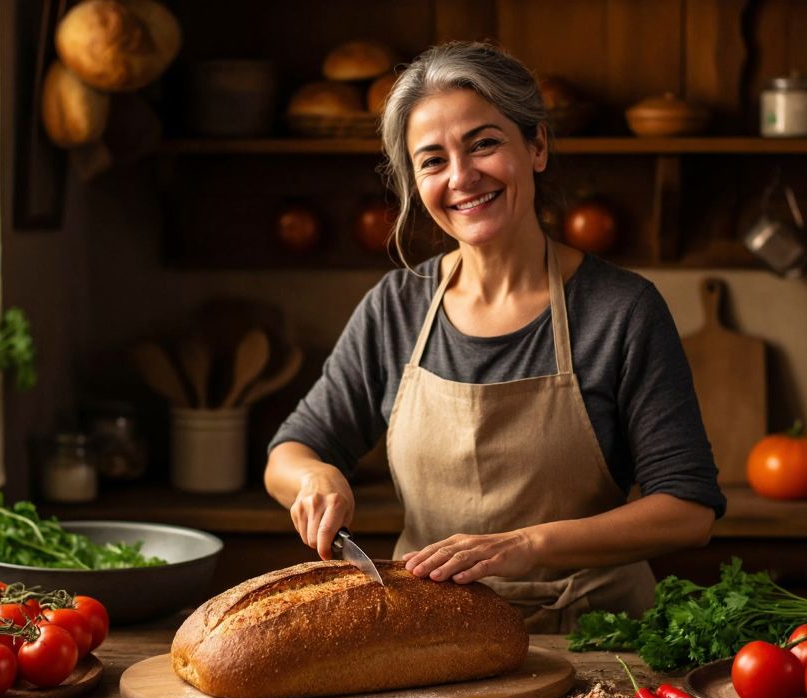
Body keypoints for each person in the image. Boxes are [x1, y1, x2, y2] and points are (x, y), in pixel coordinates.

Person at [265, 41, 724, 632]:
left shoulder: (621, 310)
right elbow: (290, 452)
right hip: (435, 639)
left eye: (484, 143)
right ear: (414, 184)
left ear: (536, 146)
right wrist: (317, 476)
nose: (462, 177)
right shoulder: (395, 307)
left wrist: (526, 546)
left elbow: (689, 511)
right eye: (432, 161)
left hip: (600, 642)